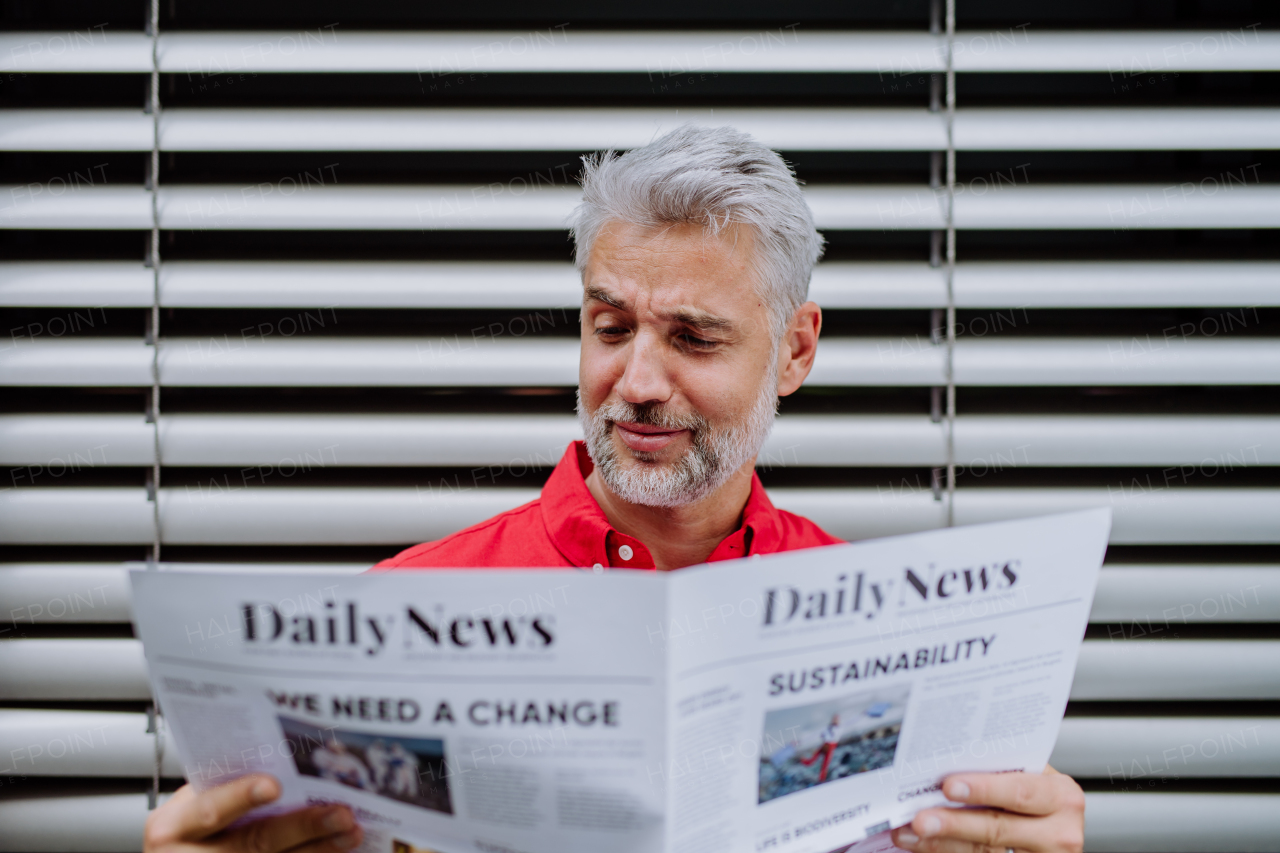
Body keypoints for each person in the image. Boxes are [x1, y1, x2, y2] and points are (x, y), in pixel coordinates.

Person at [143, 126, 1085, 853]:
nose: (635, 381)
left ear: (795, 349)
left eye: (693, 337)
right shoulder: (396, 616)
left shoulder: (902, 648)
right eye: (610, 324)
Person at [799, 714, 842, 783]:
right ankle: (802, 760)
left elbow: (835, 738)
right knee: (813, 759)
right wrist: (825, 737)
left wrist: (827, 738)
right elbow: (823, 735)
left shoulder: (838, 729)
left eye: (836, 719)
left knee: (825, 764)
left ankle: (822, 779)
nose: (835, 721)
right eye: (834, 719)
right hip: (826, 745)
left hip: (830, 746)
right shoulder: (829, 727)